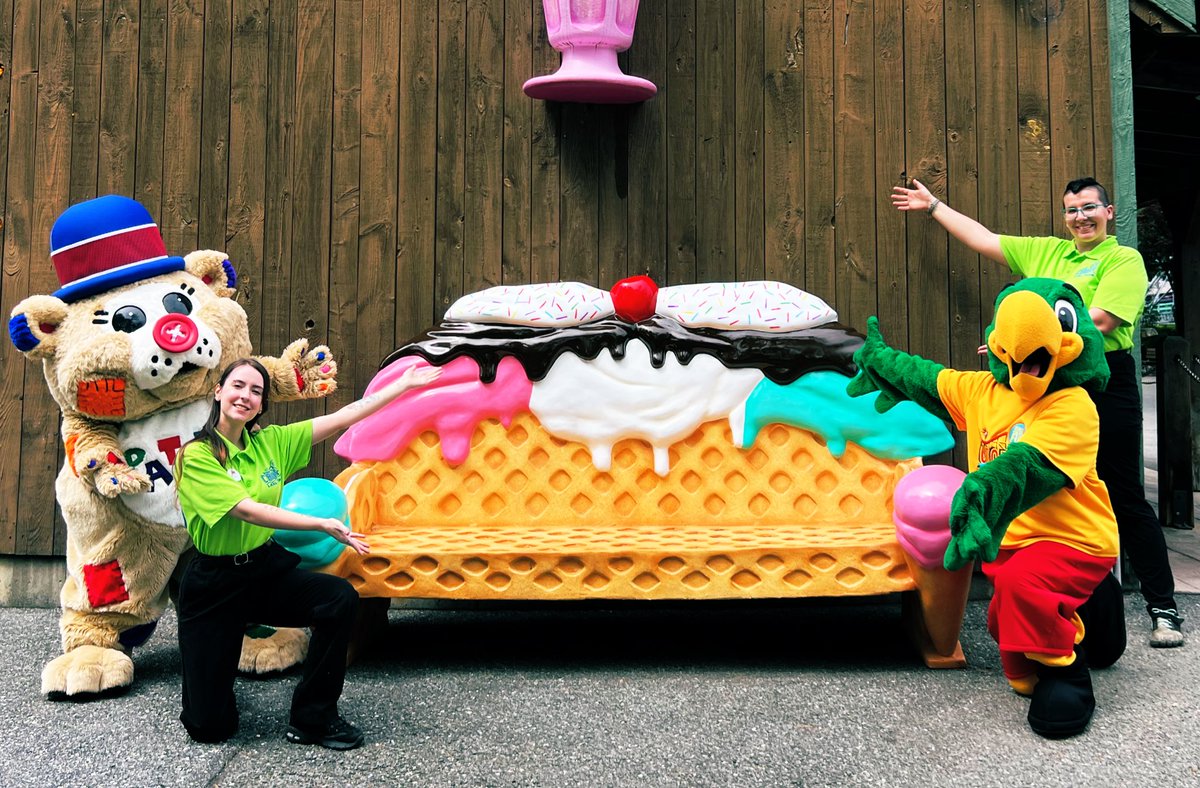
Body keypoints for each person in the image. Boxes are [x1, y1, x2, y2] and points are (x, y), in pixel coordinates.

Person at [892, 176, 1184, 648]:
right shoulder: (1048, 254)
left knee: (1120, 490)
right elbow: (983, 238)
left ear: (1108, 213)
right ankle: (1069, 599)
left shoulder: (1122, 259)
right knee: (1046, 488)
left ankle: (1162, 607)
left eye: (1089, 208)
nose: (1080, 217)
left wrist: (1028, 339)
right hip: (1041, 384)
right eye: (1071, 210)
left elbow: (1101, 322)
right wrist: (933, 207)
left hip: (1102, 379)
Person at [173, 357, 442, 748]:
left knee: (338, 599)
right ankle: (215, 681)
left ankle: (312, 717)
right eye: (238, 386)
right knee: (208, 728)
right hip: (215, 583)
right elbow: (246, 508)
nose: (245, 396)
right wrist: (320, 524)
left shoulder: (272, 443)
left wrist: (403, 386)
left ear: (262, 405)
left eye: (256, 392)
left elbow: (346, 415)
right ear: (218, 391)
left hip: (262, 569)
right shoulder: (197, 455)